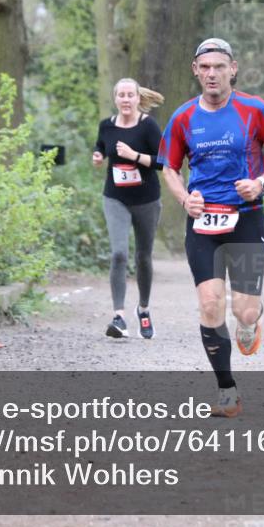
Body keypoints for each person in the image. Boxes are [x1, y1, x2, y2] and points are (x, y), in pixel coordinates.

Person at [159, 38, 264, 417]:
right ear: (195, 71)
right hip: (203, 223)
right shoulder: (183, 117)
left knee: (244, 311)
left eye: (219, 66)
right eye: (205, 67)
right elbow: (168, 167)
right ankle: (227, 391)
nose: (212, 73)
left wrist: (261, 183)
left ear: (233, 68)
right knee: (209, 302)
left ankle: (252, 322)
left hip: (247, 219)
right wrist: (185, 198)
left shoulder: (255, 110)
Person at [93, 78, 165, 339]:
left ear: (137, 98)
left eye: (129, 95)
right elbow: (101, 146)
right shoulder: (106, 126)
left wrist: (134, 155)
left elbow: (163, 161)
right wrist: (98, 156)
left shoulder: (148, 126)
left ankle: (143, 310)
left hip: (146, 200)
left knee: (143, 257)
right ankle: (119, 316)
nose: (125, 99)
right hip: (115, 199)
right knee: (119, 254)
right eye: (121, 95)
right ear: (115, 99)